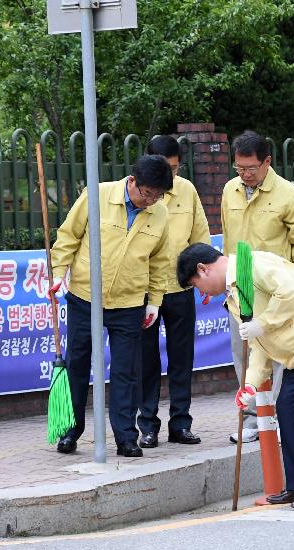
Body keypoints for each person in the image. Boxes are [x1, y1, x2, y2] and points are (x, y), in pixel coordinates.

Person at [177, 243, 294, 511]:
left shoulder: (254, 265)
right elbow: (259, 344)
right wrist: (250, 385)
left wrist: (264, 322)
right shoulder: (233, 296)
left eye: (196, 286)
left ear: (203, 269)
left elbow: (290, 291)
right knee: (288, 411)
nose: (202, 293)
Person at [50, 155, 172, 458]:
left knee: (126, 372)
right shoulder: (97, 194)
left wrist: (154, 302)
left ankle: (126, 437)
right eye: (148, 193)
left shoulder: (160, 214)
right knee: (77, 365)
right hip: (84, 296)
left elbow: (160, 262)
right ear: (133, 181)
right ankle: (70, 431)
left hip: (130, 302)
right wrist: (57, 273)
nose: (151, 201)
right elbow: (68, 237)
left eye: (158, 196)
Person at [220, 130, 294, 443]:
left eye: (251, 168)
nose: (245, 175)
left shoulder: (288, 195)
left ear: (267, 162)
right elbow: (227, 240)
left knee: (275, 356)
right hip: (240, 287)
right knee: (243, 354)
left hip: (276, 291)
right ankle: (253, 417)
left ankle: (270, 415)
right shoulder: (229, 191)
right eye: (239, 168)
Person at [137, 136, 211, 449]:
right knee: (146, 361)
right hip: (144, 290)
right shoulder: (141, 195)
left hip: (180, 288)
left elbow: (200, 236)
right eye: (165, 169)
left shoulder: (187, 190)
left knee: (182, 359)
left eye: (176, 168)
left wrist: (205, 275)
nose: (171, 176)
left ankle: (181, 423)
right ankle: (148, 426)